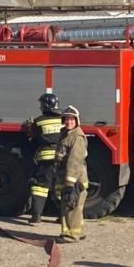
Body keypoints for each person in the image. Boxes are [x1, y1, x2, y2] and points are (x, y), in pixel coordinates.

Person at [53, 106, 88, 243]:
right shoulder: (67, 134)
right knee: (76, 207)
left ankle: (70, 236)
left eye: (71, 119)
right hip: (72, 178)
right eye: (66, 119)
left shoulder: (76, 137)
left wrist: (69, 184)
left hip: (75, 180)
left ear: (77, 121)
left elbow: (74, 161)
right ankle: (79, 232)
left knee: (70, 207)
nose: (69, 122)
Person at [26, 93, 63, 224]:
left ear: (45, 106)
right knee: (60, 186)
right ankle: (63, 216)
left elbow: (33, 136)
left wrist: (29, 126)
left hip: (46, 158)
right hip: (62, 158)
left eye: (41, 105)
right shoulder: (64, 119)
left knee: (40, 186)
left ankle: (36, 216)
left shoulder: (40, 120)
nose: (40, 107)